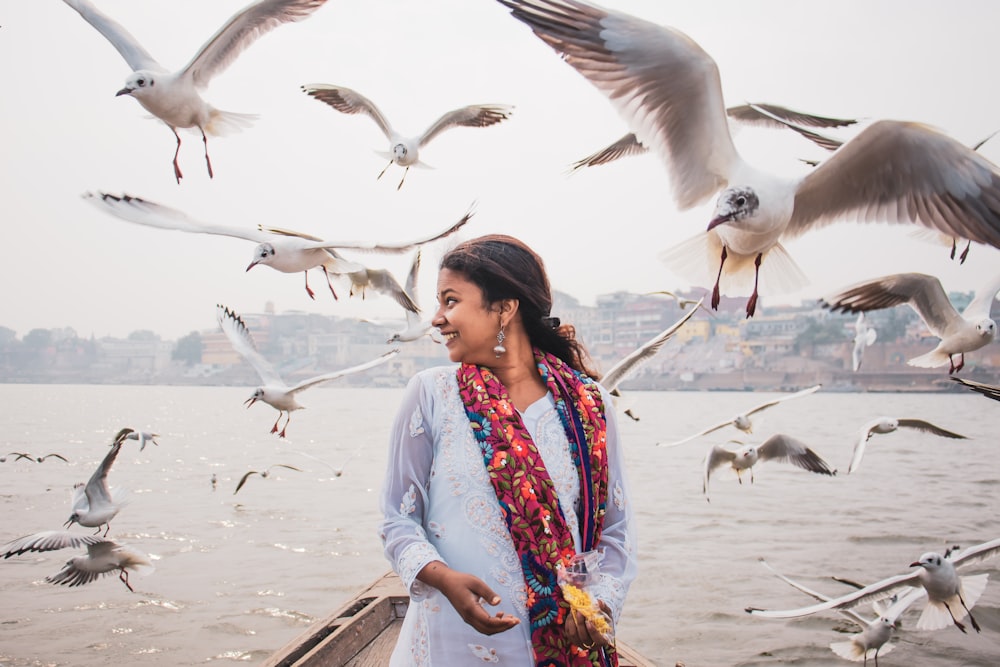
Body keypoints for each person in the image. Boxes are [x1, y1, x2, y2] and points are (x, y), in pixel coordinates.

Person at [379, 234, 637, 666]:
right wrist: (443, 579)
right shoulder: (431, 394)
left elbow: (616, 532)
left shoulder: (589, 407)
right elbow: (397, 519)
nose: (436, 319)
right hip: (449, 640)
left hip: (556, 644)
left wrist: (601, 604)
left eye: (450, 300)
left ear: (504, 308)